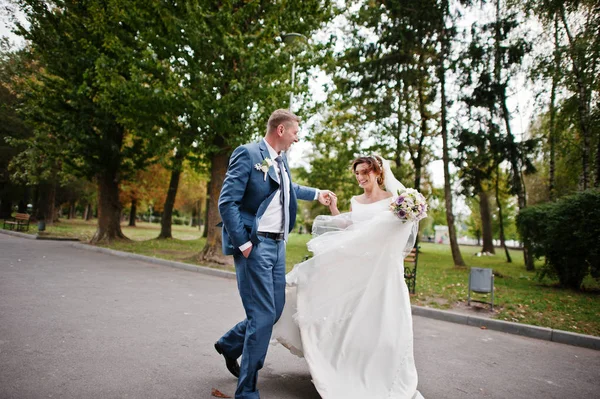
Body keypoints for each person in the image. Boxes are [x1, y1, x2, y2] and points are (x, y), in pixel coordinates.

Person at [272, 155, 424, 399]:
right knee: (350, 318)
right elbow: (349, 225)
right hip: (358, 268)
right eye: (357, 173)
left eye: (365, 172)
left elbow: (395, 231)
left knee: (380, 320)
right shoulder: (356, 200)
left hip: (382, 270)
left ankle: (378, 369)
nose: (361, 177)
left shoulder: (394, 201)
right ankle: (345, 364)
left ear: (378, 173)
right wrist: (333, 209)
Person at [215, 109, 335, 399]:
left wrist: (316, 193)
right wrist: (243, 243)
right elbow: (227, 202)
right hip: (254, 246)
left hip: (278, 246)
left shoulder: (280, 161)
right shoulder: (247, 153)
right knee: (263, 315)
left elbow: (286, 189)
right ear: (281, 130)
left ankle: (230, 344)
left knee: (276, 309)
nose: (297, 138)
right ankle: (247, 391)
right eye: (295, 133)